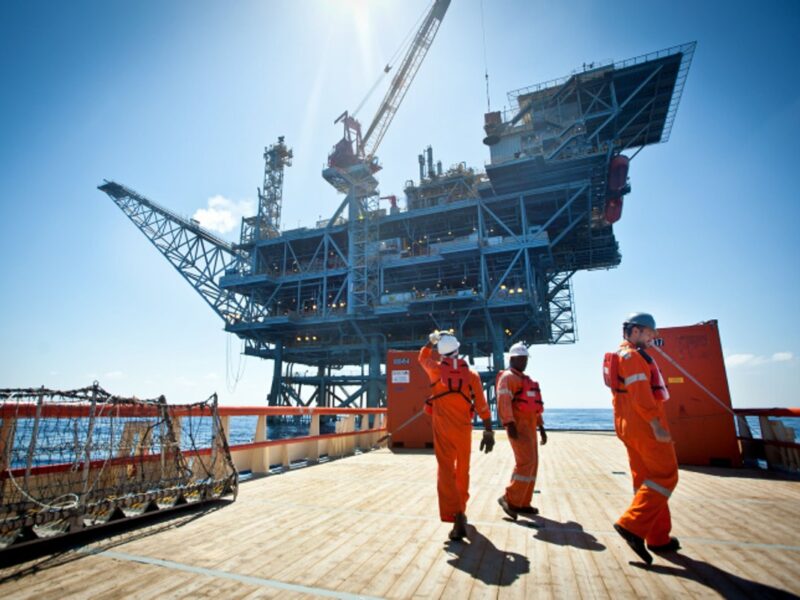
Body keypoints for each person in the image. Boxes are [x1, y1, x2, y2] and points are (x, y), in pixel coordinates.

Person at [605, 312, 680, 565]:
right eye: (649, 334)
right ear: (635, 331)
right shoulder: (634, 357)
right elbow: (641, 395)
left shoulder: (621, 355)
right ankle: (632, 525)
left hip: (627, 424)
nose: (652, 339)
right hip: (644, 425)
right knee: (666, 476)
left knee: (646, 481)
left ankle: (657, 536)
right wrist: (656, 424)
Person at [418, 330, 494, 540]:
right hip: (463, 428)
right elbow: (481, 405)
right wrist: (488, 429)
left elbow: (422, 357)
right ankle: (461, 511)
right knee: (463, 470)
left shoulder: (435, 370)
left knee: (445, 471)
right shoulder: (471, 375)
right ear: (458, 351)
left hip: (442, 428)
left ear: (442, 355)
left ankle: (454, 515)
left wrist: (431, 340)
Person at [495, 342, 547, 520]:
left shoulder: (525, 380)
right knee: (525, 463)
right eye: (521, 359)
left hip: (530, 428)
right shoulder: (508, 378)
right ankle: (509, 499)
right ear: (513, 359)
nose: (525, 362)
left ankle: (523, 502)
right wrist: (509, 424)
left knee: (532, 464)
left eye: (526, 359)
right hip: (518, 427)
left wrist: (541, 427)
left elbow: (533, 407)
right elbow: (504, 402)